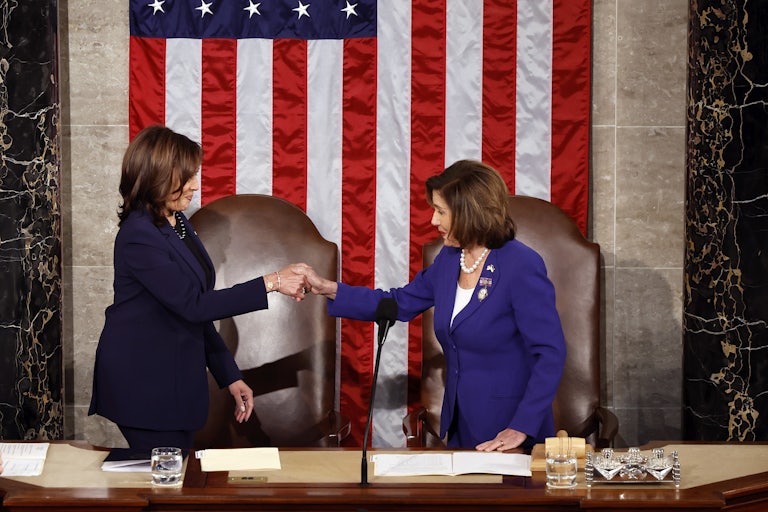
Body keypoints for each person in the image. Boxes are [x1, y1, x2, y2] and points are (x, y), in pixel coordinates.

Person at [302, 160, 566, 451]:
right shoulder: (450, 260)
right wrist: (329, 289)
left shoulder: (521, 265)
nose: (433, 221)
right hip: (461, 425)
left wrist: (521, 427)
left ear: (469, 212)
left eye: (441, 211)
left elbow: (550, 353)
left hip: (510, 432)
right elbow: (398, 303)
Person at [88, 125, 309, 450]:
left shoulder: (175, 223)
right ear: (158, 176)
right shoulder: (139, 235)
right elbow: (194, 305)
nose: (195, 185)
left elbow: (193, 314)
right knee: (166, 486)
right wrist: (272, 282)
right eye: (186, 176)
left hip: (173, 384)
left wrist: (229, 375)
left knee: (175, 485)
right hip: (143, 385)